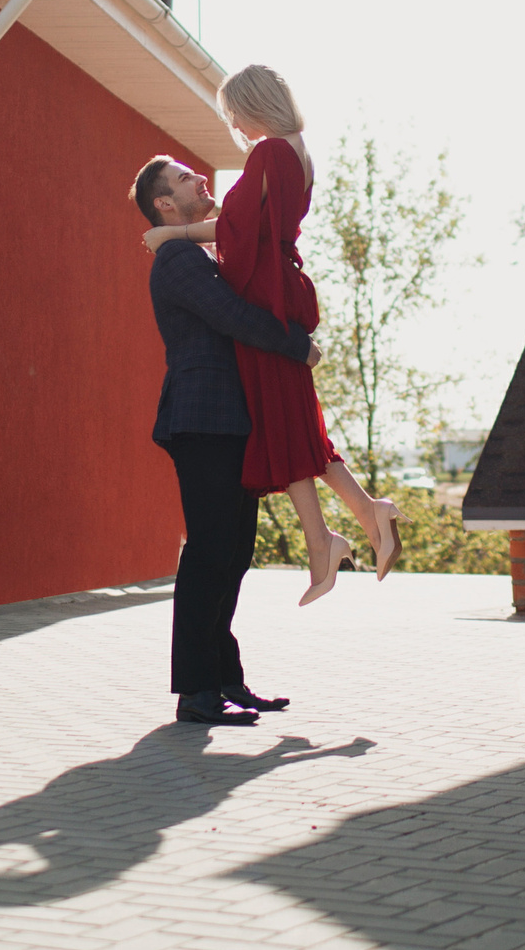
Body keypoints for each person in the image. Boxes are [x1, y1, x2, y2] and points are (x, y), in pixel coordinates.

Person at [141, 65, 400, 606]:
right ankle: (351, 521)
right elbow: (252, 227)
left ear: (252, 104)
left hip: (266, 292)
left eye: (234, 111)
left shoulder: (269, 153)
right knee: (287, 418)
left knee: (281, 419)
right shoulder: (298, 154)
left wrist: (175, 233)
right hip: (276, 286)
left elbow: (240, 227)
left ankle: (332, 536)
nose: (234, 123)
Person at [135, 153, 320, 726]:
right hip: (203, 417)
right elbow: (233, 316)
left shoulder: (201, 253)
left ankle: (224, 678)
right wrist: (295, 344)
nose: (200, 180)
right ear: (165, 204)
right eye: (185, 179)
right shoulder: (177, 257)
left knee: (233, 554)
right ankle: (195, 691)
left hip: (232, 420)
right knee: (211, 554)